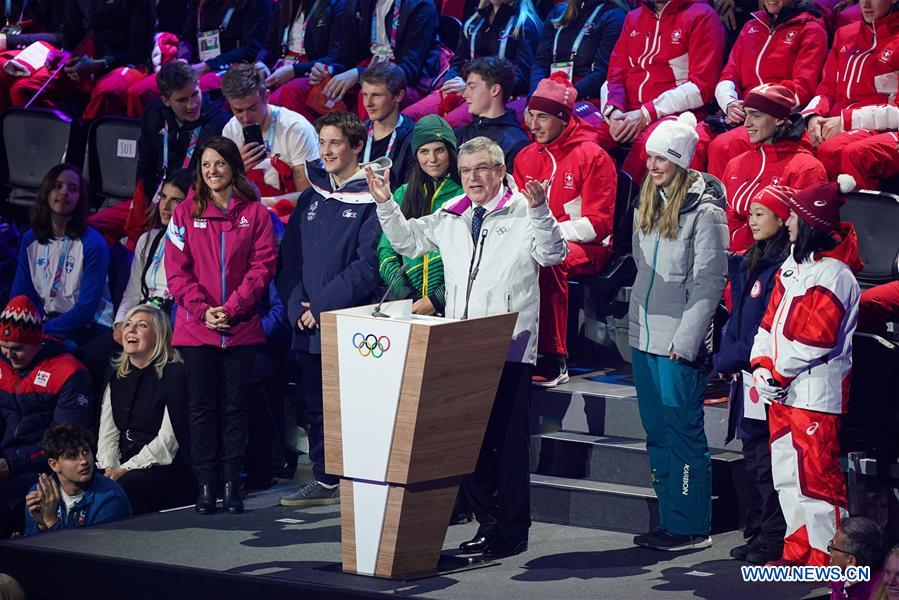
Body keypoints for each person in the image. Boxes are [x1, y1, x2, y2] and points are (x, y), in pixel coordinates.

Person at [370, 136, 567, 558]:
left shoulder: (523, 211)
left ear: (500, 170)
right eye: (466, 171)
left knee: (509, 446)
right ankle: (488, 523)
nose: (473, 178)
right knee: (468, 443)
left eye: (482, 168)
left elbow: (553, 255)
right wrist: (386, 204)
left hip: (509, 346)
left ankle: (513, 531)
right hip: (461, 346)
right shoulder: (452, 214)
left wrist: (540, 211)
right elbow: (408, 243)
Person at [750, 178, 863, 566]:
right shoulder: (791, 268)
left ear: (811, 221)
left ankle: (828, 559)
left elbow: (816, 339)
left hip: (815, 397)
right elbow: (767, 326)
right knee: (788, 479)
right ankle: (797, 553)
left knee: (818, 484)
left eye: (796, 216)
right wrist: (762, 369)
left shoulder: (836, 274)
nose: (790, 223)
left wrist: (776, 374)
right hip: (783, 394)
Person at [629, 113, 728, 552]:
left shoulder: (706, 211)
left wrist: (686, 342)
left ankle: (690, 526)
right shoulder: (647, 200)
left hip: (677, 344)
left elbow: (709, 283)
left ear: (682, 161)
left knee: (683, 433)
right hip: (643, 338)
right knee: (656, 432)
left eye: (662, 159)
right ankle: (669, 516)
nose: (652, 166)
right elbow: (640, 268)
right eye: (650, 156)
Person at [276, 111, 384, 507]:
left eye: (335, 143)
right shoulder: (311, 196)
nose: (327, 151)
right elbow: (289, 263)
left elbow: (367, 266)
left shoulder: (373, 198)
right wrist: (295, 306)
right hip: (307, 326)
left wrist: (319, 307)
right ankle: (325, 479)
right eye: (322, 143)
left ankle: (361, 482)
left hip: (348, 323)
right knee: (316, 407)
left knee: (353, 408)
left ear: (357, 146)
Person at [165, 136, 277, 515]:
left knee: (235, 407)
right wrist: (203, 310)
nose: (212, 171)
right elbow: (176, 273)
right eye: (206, 164)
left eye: (220, 164)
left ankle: (232, 482)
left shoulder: (256, 213)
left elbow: (262, 267)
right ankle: (206, 484)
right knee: (201, 407)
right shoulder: (183, 214)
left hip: (240, 326)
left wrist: (232, 307)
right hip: (197, 329)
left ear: (233, 167)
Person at [513, 73, 616, 386]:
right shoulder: (525, 156)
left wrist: (550, 234)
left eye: (543, 117)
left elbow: (599, 224)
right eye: (532, 115)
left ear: (562, 118)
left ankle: (553, 356)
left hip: (589, 245)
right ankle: (513, 348)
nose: (534, 124)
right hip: (538, 239)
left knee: (550, 258)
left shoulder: (593, 156)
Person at [714, 184, 791, 565]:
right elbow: (738, 319)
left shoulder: (780, 269)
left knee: (767, 464)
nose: (753, 220)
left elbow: (762, 326)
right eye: (753, 212)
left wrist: (728, 359)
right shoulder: (750, 261)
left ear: (782, 219)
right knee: (753, 459)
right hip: (745, 376)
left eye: (762, 213)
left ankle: (773, 539)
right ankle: (758, 531)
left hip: (763, 376)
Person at [89, 61, 230, 249]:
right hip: (155, 197)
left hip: (188, 205)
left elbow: (203, 180)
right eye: (182, 100)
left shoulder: (218, 122)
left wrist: (166, 204)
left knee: (141, 243)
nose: (192, 104)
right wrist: (143, 199)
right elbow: (145, 159)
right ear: (166, 100)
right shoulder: (155, 113)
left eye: (195, 94)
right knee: (93, 227)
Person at [595, 0, 727, 184]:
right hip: (627, 112)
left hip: (675, 113)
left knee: (651, 145)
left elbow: (702, 87)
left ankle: (632, 206)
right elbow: (614, 76)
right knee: (582, 136)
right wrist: (613, 112)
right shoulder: (633, 17)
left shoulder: (702, 15)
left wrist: (645, 113)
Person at [0, 295, 93, 537]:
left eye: (17, 348)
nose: (9, 355)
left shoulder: (69, 372)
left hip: (42, 466)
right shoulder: (2, 365)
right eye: (3, 346)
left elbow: (65, 442)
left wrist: (12, 464)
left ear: (36, 341)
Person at [705, 0, 827, 179]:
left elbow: (802, 89)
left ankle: (721, 206)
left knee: (723, 146)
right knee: (695, 139)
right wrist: (730, 103)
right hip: (740, 113)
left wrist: (753, 106)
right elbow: (729, 75)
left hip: (777, 116)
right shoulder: (751, 26)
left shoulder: (811, 30)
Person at [96, 305, 195, 514]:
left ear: (158, 335)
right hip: (122, 462)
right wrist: (109, 467)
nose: (130, 330)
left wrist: (124, 469)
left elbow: (168, 441)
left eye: (141, 326)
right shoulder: (115, 374)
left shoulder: (175, 374)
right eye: (128, 325)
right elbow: (108, 432)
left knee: (124, 487)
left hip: (162, 467)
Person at [271, 0, 441, 119]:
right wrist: (329, 70)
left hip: (403, 79)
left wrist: (360, 75)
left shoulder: (420, 5)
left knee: (369, 94)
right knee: (294, 91)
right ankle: (315, 157)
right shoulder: (359, 3)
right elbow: (346, 55)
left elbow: (410, 69)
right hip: (367, 67)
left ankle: (368, 157)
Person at [11, 164, 114, 346]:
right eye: (57, 186)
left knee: (46, 349)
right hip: (47, 322)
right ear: (46, 192)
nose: (64, 192)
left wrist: (41, 329)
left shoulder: (93, 243)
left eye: (72, 189)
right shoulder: (31, 239)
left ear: (80, 198)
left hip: (88, 327)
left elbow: (85, 310)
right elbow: (20, 294)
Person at [720, 83, 827, 252]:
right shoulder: (736, 163)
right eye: (746, 115)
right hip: (725, 258)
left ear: (779, 119)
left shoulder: (807, 168)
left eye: (756, 115)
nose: (747, 123)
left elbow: (803, 235)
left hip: (770, 266)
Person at [402, 0, 542, 127]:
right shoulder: (475, 20)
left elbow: (521, 78)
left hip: (496, 94)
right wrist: (451, 83)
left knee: (449, 125)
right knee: (409, 117)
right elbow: (457, 63)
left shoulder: (525, 25)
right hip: (465, 86)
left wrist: (472, 87)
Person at [801, 0, 899, 181]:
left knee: (834, 150)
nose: (866, 4)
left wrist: (846, 121)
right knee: (793, 144)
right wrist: (813, 116)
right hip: (834, 119)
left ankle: (854, 209)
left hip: (877, 126)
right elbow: (826, 88)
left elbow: (897, 112)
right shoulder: (844, 34)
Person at [377, 115, 464, 314]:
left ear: (451, 152)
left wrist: (436, 300)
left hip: (453, 307)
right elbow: (386, 252)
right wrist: (408, 297)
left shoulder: (465, 195)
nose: (431, 159)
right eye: (424, 151)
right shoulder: (402, 194)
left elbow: (470, 259)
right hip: (409, 306)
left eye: (439, 150)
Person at [126, 0, 273, 116]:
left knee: (191, 91)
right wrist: (183, 59)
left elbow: (251, 49)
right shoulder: (201, 3)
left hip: (231, 68)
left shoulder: (256, 2)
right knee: (139, 92)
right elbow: (186, 38)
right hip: (196, 66)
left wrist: (208, 65)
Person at [14, 0, 156, 120]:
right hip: (85, 60)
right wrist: (65, 54)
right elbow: (71, 32)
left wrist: (100, 64)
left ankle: (84, 142)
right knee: (23, 90)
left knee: (107, 91)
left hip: (126, 63)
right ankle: (60, 134)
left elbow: (139, 49)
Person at [220, 63, 320, 214]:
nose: (245, 118)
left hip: (290, 216)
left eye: (252, 108)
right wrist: (235, 170)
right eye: (238, 110)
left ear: (266, 96)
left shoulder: (296, 128)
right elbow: (224, 190)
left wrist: (262, 204)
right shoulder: (230, 129)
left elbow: (307, 195)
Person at [113, 170, 192, 345]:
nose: (165, 206)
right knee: (93, 356)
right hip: (140, 319)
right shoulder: (148, 239)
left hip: (170, 326)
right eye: (163, 197)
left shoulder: (198, 246)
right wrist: (120, 323)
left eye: (176, 201)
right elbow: (133, 292)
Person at [24, 424, 131, 535]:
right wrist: (41, 526)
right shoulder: (41, 494)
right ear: (54, 465)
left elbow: (90, 549)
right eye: (72, 456)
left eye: (85, 451)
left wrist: (51, 521)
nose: (84, 461)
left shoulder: (110, 498)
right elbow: (32, 547)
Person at [529, 0, 627, 102]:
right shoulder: (559, 11)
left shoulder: (614, 15)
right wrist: (535, 94)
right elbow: (540, 62)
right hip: (548, 91)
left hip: (585, 96)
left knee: (547, 117)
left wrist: (563, 96)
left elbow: (602, 73)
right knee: (519, 112)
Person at [453, 57, 529, 172]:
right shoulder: (459, 134)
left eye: (472, 87)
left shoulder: (515, 142)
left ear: (495, 90)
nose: (465, 95)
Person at [263, 0, 346, 91]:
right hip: (282, 64)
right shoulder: (283, 4)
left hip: (309, 70)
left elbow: (336, 57)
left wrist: (294, 70)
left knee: (288, 92)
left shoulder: (337, 4)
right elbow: (269, 45)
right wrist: (261, 61)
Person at [0, 0, 67, 113]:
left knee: (20, 89)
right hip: (18, 47)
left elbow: (64, 37)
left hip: (53, 51)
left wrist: (9, 41)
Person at [356, 62, 416, 188]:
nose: (368, 103)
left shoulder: (413, 140)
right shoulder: (356, 133)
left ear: (398, 96)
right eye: (365, 95)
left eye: (376, 95)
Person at [829, 517, 887, 599]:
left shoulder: (879, 594)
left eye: (833, 547)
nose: (829, 550)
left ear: (850, 560)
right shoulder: (839, 579)